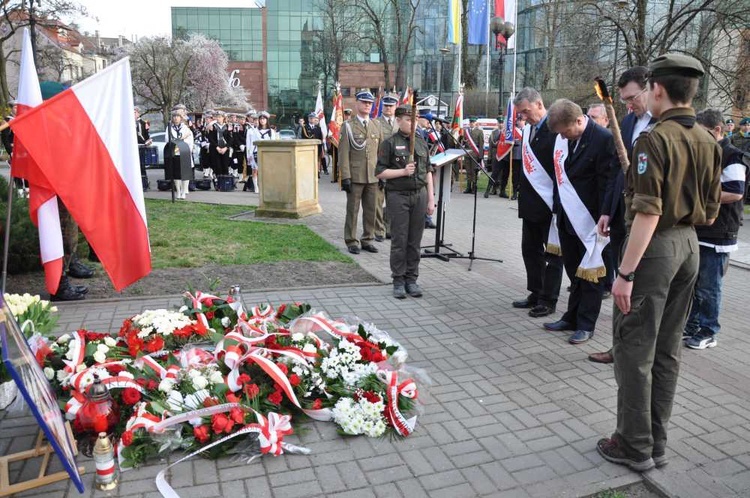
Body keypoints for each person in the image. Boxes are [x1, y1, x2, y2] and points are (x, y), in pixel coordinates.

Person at [597, 53, 721, 472]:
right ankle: (656, 441)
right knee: (667, 349)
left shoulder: (654, 139)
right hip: (690, 245)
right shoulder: (707, 139)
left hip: (655, 248)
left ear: (659, 90)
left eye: (648, 90)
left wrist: (626, 273)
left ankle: (633, 445)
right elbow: (712, 209)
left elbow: (648, 212)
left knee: (634, 348)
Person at [590, 66, 656, 364]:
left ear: (650, 88)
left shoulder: (665, 125)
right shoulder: (628, 122)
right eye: (624, 99)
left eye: (632, 97)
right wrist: (606, 211)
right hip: (620, 216)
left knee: (642, 289)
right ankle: (619, 346)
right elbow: (616, 171)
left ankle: (638, 351)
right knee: (620, 284)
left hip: (650, 221)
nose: (628, 104)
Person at [543, 99, 615, 344]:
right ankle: (571, 317)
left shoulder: (603, 139)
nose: (563, 136)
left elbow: (607, 183)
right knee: (575, 272)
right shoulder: (565, 139)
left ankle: (586, 324)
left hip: (591, 221)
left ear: (578, 120)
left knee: (592, 275)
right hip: (567, 217)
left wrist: (605, 215)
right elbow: (559, 178)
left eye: (566, 131)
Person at [683, 109, 748, 350]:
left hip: (720, 231)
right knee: (695, 283)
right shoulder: (704, 151)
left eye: (703, 133)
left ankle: (709, 330)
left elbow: (735, 191)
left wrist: (696, 199)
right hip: (699, 227)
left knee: (710, 286)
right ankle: (692, 325)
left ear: (717, 130)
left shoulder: (732, 155)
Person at [511, 87, 564, 318]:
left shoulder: (556, 131)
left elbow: (559, 170)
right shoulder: (530, 129)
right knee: (530, 251)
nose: (523, 116)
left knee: (553, 255)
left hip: (549, 204)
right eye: (520, 113)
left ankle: (548, 299)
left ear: (539, 104)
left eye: (525, 111)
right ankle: (536, 291)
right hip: (530, 204)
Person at [376, 105, 435, 299]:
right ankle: (399, 280)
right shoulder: (389, 143)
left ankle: (412, 279)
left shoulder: (421, 142)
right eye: (408, 120)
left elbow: (427, 171)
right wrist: (402, 172)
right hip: (398, 195)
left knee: (414, 241)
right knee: (400, 240)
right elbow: (380, 172)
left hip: (419, 195)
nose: (412, 123)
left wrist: (431, 199)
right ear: (399, 120)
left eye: (414, 119)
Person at [339, 90, 384, 255]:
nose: (367, 105)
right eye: (364, 102)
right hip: (355, 176)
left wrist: (383, 173)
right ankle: (351, 240)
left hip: (373, 176)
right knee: (353, 210)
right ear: (357, 104)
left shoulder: (376, 125)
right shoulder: (348, 126)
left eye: (370, 103)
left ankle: (368, 239)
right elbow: (343, 154)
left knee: (371, 210)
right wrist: (345, 177)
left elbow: (381, 153)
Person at [375, 92, 400, 241]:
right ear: (382, 106)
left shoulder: (399, 124)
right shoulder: (376, 123)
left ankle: (389, 228)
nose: (388, 108)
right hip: (381, 167)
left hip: (396, 169)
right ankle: (378, 229)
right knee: (378, 202)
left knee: (393, 201)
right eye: (386, 105)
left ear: (395, 107)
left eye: (391, 106)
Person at [166, 109, 195, 199]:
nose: (175, 118)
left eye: (177, 116)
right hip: (175, 153)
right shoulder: (169, 128)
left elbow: (190, 141)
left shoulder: (186, 129)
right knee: (176, 174)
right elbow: (168, 140)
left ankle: (184, 191)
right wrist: (175, 146)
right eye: (174, 116)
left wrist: (182, 147)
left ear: (181, 118)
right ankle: (178, 191)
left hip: (184, 153)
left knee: (185, 174)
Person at [462, 117, 484, 194]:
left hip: (475, 154)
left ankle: (474, 187)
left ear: (475, 123)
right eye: (470, 122)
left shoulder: (479, 132)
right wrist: (462, 141)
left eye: (473, 122)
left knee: (474, 171)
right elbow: (463, 142)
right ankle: (468, 187)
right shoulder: (466, 131)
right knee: (468, 171)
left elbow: (481, 145)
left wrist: (481, 156)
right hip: (467, 153)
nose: (471, 123)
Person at [485, 118, 504, 198]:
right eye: (499, 123)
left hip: (503, 154)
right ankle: (493, 188)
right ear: (497, 124)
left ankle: (499, 188)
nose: (501, 124)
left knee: (501, 173)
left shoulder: (506, 133)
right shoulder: (493, 133)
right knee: (494, 172)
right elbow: (490, 145)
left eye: (502, 123)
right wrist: (489, 156)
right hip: (494, 153)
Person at [208, 111, 231, 177]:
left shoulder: (227, 126)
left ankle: (225, 183)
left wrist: (226, 147)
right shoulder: (213, 126)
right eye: (217, 117)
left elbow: (230, 139)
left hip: (225, 148)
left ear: (223, 118)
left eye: (220, 117)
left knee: (225, 165)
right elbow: (211, 138)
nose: (218, 118)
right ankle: (218, 182)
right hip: (216, 148)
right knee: (217, 166)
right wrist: (217, 147)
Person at [244, 111, 260, 192]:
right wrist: (248, 155)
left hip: (261, 151)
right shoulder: (250, 130)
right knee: (254, 170)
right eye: (255, 120)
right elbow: (248, 143)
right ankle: (256, 187)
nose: (256, 122)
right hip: (253, 152)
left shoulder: (262, 130)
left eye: (258, 120)